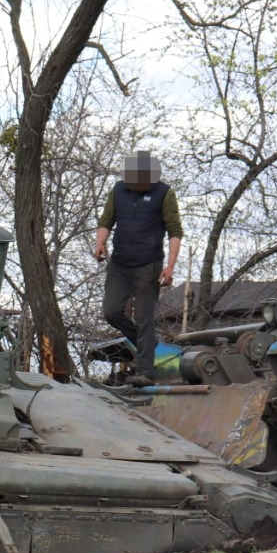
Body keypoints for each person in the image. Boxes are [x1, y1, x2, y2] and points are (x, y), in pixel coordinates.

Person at [93, 150, 184, 387]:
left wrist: (170, 266)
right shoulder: (118, 191)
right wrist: (100, 243)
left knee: (144, 318)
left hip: (148, 265)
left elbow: (175, 231)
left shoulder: (164, 193)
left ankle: (145, 372)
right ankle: (147, 343)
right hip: (120, 263)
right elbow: (106, 221)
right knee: (112, 311)